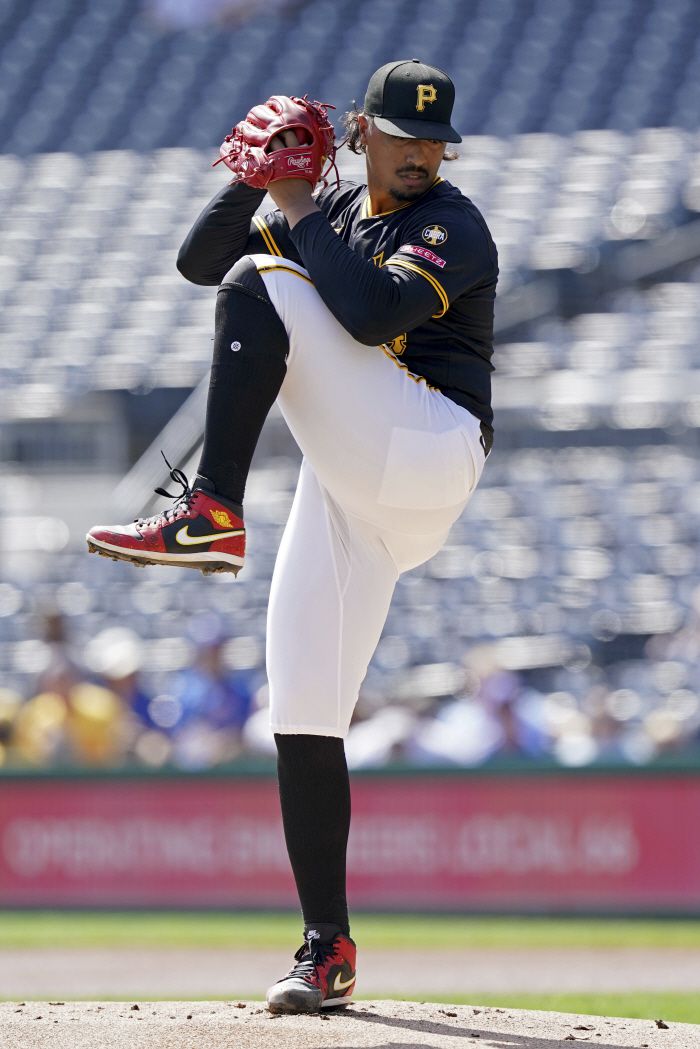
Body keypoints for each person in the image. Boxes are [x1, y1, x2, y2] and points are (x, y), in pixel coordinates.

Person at [87, 59, 497, 1012]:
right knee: (303, 708)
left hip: (430, 447)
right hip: (356, 481)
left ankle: (213, 509)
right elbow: (197, 266)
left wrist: (296, 202)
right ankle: (327, 944)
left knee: (262, 280)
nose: (424, 152)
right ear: (362, 130)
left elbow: (370, 311)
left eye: (436, 139)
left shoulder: (453, 224)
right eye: (404, 134)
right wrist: (252, 174)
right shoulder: (334, 204)